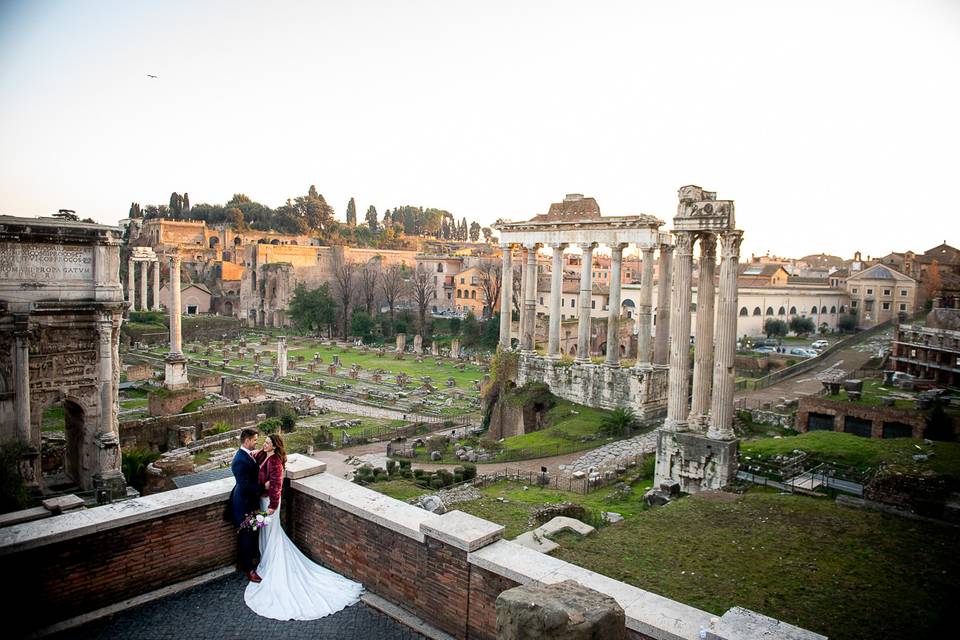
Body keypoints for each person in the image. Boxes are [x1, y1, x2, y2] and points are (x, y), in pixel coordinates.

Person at [244, 432, 364, 620]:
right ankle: (266, 557)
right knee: (266, 533)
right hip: (261, 500)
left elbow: (276, 485)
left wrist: (273, 507)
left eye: (267, 443)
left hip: (269, 504)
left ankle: (271, 562)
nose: (264, 444)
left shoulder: (274, 462)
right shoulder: (262, 455)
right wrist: (253, 454)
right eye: (264, 442)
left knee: (271, 532)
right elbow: (252, 457)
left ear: (275, 446)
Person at [229, 428, 264, 583]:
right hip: (244, 504)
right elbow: (244, 485)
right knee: (246, 536)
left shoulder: (249, 455)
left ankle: (253, 562)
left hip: (253, 502)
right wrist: (265, 487)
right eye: (255, 440)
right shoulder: (239, 460)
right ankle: (249, 570)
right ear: (247, 440)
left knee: (255, 532)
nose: (257, 443)